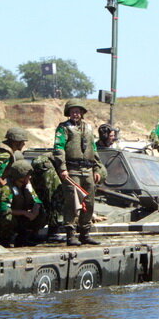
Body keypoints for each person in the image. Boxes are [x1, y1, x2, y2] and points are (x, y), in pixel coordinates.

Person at [52, 99, 103, 246]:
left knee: (89, 202)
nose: (76, 114)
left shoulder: (88, 128)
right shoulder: (63, 128)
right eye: (73, 111)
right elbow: (59, 148)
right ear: (69, 113)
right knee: (72, 202)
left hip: (88, 169)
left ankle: (85, 233)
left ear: (82, 112)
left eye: (78, 111)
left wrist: (97, 168)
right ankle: (71, 234)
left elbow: (94, 149)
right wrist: (62, 168)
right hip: (72, 169)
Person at [0, 160, 47, 247]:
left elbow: (37, 201)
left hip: (22, 218)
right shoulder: (7, 188)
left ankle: (26, 237)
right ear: (20, 176)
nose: (30, 177)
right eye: (27, 175)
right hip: (10, 218)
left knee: (41, 212)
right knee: (7, 218)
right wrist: (24, 213)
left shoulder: (27, 186)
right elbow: (4, 209)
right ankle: (4, 240)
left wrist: (35, 212)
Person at [30, 154, 64, 234]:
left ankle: (34, 232)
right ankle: (53, 232)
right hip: (48, 165)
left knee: (40, 199)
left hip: (40, 161)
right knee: (54, 199)